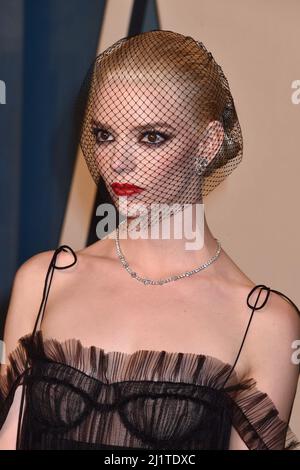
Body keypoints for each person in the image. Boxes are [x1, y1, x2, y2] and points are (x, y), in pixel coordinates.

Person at [0, 29, 299, 450]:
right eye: (105, 135)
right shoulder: (44, 280)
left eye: (151, 137)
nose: (118, 161)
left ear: (208, 144)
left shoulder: (263, 323)